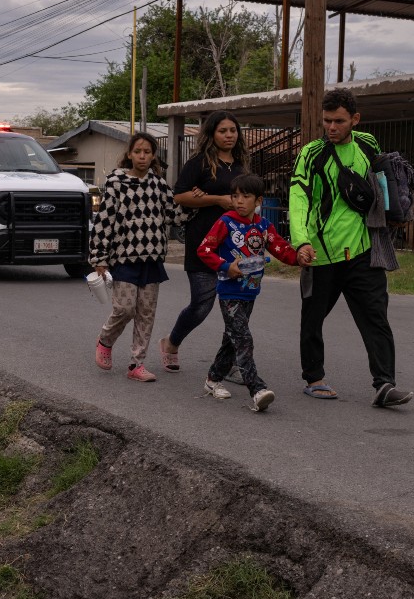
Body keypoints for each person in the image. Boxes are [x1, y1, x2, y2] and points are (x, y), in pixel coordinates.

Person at [288, 88, 413, 407]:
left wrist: (392, 212)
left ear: (355, 119)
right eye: (327, 121)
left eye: (339, 121)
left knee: (376, 318)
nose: (331, 127)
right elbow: (299, 197)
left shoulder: (368, 144)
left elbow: (382, 179)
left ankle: (385, 384)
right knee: (312, 318)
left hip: (362, 252)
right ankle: (314, 378)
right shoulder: (311, 153)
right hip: (321, 253)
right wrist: (301, 240)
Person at [196, 173, 307, 411]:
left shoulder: (263, 226)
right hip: (228, 291)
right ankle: (257, 389)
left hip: (250, 292)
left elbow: (281, 249)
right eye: (235, 196)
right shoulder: (225, 222)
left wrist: (299, 257)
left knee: (232, 339)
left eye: (245, 197)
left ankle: (212, 380)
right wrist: (227, 266)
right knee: (243, 339)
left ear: (258, 200)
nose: (239, 201)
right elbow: (204, 250)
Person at [159, 110, 250, 376]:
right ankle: (171, 343)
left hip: (235, 245)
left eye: (233, 130)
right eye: (223, 131)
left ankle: (228, 362)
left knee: (236, 308)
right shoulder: (199, 163)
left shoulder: (241, 165)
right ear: (211, 134)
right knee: (202, 304)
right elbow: (179, 196)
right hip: (204, 243)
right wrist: (216, 199)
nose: (229, 135)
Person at [90, 132, 176, 382]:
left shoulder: (159, 185)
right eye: (138, 151)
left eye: (147, 152)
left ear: (153, 155)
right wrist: (99, 257)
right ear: (129, 154)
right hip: (124, 258)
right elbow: (103, 222)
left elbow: (174, 214)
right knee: (125, 309)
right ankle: (105, 340)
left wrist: (200, 200)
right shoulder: (116, 183)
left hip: (152, 258)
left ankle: (136, 364)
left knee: (146, 313)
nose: (142, 156)